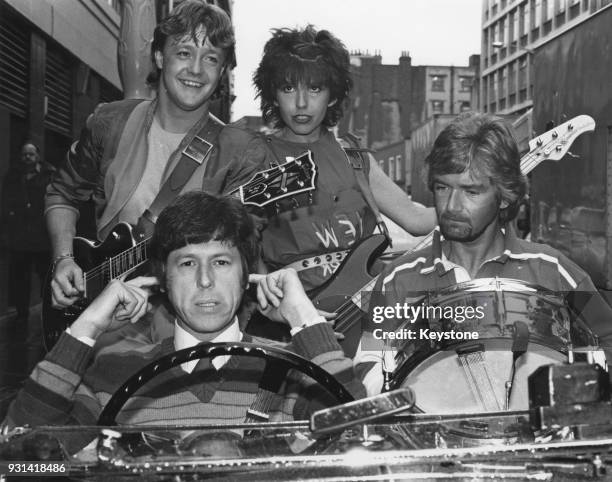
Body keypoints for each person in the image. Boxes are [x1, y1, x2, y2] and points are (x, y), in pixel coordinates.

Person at [4, 192, 366, 447]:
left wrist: (302, 316)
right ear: (162, 277)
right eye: (187, 263)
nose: (205, 280)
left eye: (221, 262)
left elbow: (362, 441)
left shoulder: (294, 374)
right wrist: (86, 327)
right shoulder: (111, 372)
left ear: (246, 277)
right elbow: (25, 464)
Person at [356, 112, 612, 397]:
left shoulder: (551, 270)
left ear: (504, 196)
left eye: (471, 191)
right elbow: (368, 363)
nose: (452, 205)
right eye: (442, 187)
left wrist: (576, 391)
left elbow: (606, 340)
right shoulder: (396, 280)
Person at [46, 0, 265, 310]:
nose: (196, 69)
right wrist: (64, 258)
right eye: (185, 52)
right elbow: (61, 194)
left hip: (188, 322)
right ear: (161, 56)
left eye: (211, 58)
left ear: (222, 72)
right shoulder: (109, 123)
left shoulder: (240, 151)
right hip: (102, 316)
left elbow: (239, 257)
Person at [252, 25, 437, 293]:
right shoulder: (259, 157)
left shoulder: (353, 159)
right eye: (289, 88)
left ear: (334, 95)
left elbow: (416, 221)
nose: (301, 103)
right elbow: (236, 243)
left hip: (362, 308)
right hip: (289, 316)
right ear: (273, 94)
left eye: (315, 88)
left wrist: (477, 197)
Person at [1, 142, 55, 327]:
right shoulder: (13, 177)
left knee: (45, 276)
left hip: (42, 237)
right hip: (20, 237)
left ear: (38, 156)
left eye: (31, 154)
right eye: (24, 154)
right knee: (19, 277)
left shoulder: (49, 176)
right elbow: (6, 201)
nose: (27, 158)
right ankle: (21, 313)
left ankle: (48, 311)